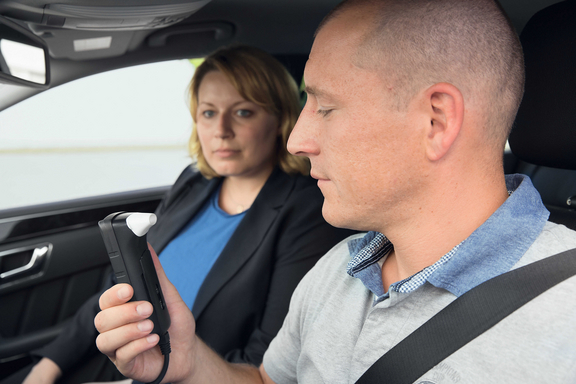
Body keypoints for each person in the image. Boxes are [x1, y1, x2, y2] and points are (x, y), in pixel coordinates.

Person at [94, 0, 576, 383]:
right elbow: (269, 381)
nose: (296, 141)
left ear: (436, 120)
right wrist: (190, 364)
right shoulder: (341, 268)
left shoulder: (563, 323)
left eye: (325, 107)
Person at [10, 45, 352, 384]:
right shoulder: (193, 182)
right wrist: (48, 366)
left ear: (280, 120)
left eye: (243, 112)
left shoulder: (305, 211)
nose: (221, 129)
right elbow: (121, 290)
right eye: (208, 112)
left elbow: (266, 361)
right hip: (113, 364)